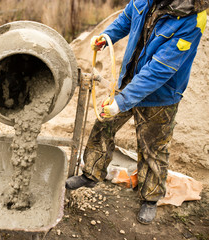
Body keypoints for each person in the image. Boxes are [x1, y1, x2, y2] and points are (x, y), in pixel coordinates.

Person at [65, 0, 208, 224]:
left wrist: (122, 102)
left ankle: (150, 197)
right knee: (104, 125)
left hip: (162, 94)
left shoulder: (194, 19)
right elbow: (128, 17)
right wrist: (108, 36)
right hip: (129, 80)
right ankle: (91, 174)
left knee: (153, 146)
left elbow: (161, 69)